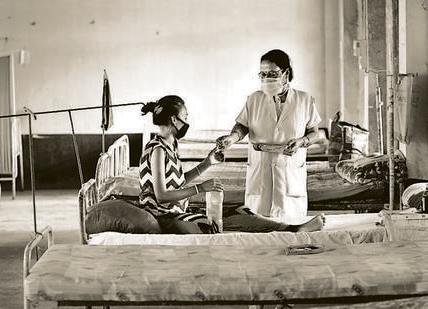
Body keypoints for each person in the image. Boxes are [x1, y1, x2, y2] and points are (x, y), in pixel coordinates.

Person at [137, 95, 324, 234]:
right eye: (185, 116)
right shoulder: (158, 149)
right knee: (212, 224)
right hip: (164, 216)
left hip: (178, 211)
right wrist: (200, 188)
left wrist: (207, 163)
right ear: (174, 120)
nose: (187, 121)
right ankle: (293, 230)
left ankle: (292, 228)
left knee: (240, 210)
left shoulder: (171, 145)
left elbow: (178, 182)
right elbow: (162, 196)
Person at [217, 49, 325, 218]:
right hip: (261, 171)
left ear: (286, 73)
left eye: (273, 74)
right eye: (263, 74)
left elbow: (315, 133)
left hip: (290, 173)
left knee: (291, 228)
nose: (267, 79)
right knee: (259, 227)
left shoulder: (304, 100)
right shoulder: (254, 99)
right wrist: (232, 137)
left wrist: (302, 141)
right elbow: (242, 126)